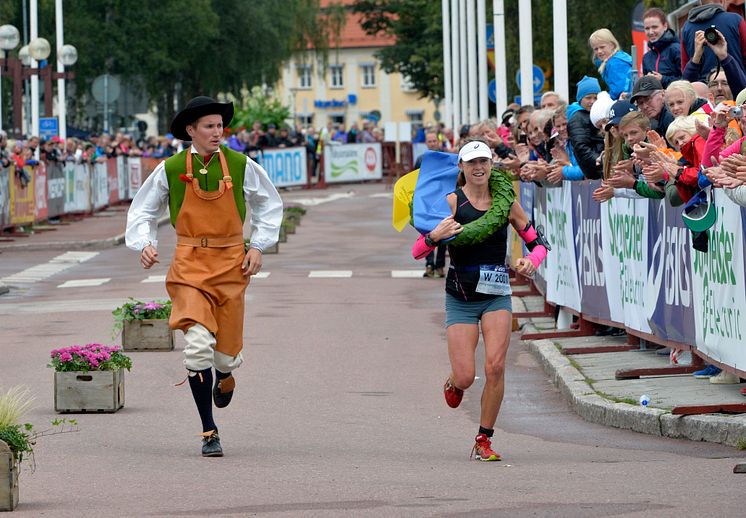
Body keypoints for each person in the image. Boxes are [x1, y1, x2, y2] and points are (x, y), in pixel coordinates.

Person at [125, 96, 283, 457]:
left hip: (231, 263)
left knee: (225, 357)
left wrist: (257, 246)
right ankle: (209, 431)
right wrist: (144, 243)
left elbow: (269, 205)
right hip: (189, 263)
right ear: (190, 131)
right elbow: (143, 210)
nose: (217, 132)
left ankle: (225, 375)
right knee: (196, 349)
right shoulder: (171, 167)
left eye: (219, 125)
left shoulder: (242, 165)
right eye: (209, 126)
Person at [412, 140, 548, 461]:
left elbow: (537, 243)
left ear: (491, 165)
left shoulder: (506, 203)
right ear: (461, 168)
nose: (478, 168)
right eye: (472, 163)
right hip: (460, 296)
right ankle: (453, 382)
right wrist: (435, 236)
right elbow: (418, 250)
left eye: (484, 162)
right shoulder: (451, 202)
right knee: (465, 376)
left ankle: (483, 439)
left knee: (496, 366)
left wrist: (532, 262)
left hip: (496, 294)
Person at [680, 0, 746, 82]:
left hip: (702, 89)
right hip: (734, 85)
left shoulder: (686, 27)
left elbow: (684, 68)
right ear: (722, 1)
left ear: (701, 2)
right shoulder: (736, 20)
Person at [415, 130, 448, 278]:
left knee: (443, 233)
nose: (433, 143)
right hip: (426, 202)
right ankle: (429, 264)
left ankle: (440, 265)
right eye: (430, 141)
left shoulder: (446, 158)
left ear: (438, 141)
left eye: (435, 141)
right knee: (426, 233)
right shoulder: (421, 160)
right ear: (426, 143)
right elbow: (414, 180)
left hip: (442, 201)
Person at [567, 76, 604, 179]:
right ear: (580, 99)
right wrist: (601, 161)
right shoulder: (577, 118)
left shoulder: (596, 114)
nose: (592, 101)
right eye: (588, 98)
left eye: (595, 97)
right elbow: (581, 148)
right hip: (596, 170)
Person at [642, 8, 682, 88]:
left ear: (665, 26)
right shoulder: (646, 58)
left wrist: (662, 79)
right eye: (647, 28)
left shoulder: (677, 50)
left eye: (654, 27)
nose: (650, 32)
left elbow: (688, 80)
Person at [589, 28, 633, 100]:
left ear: (612, 45)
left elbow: (619, 89)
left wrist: (608, 98)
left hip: (627, 99)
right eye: (596, 49)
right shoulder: (619, 57)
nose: (599, 51)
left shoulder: (614, 63)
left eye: (602, 47)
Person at [631, 76, 675, 144]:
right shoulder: (656, 121)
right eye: (640, 103)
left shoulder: (670, 117)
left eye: (648, 99)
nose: (645, 106)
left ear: (663, 94)